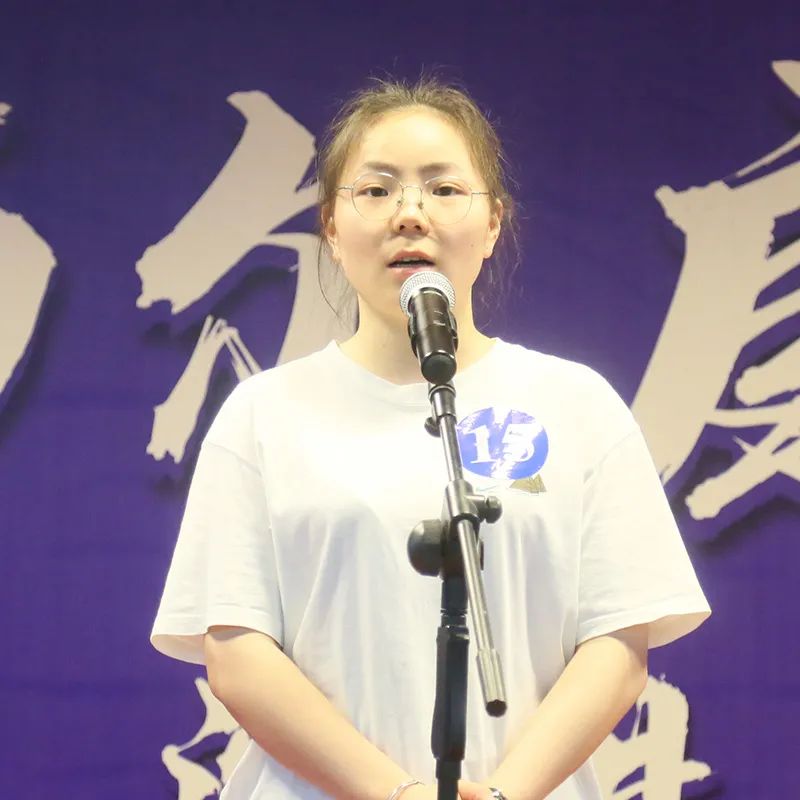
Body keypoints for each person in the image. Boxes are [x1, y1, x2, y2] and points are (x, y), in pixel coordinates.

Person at [151, 77, 711, 800]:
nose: (410, 214)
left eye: (444, 190)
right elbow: (236, 651)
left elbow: (617, 641)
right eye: (376, 190)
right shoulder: (263, 415)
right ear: (331, 227)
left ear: (493, 223)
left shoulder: (577, 405)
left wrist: (505, 793)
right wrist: (399, 794)